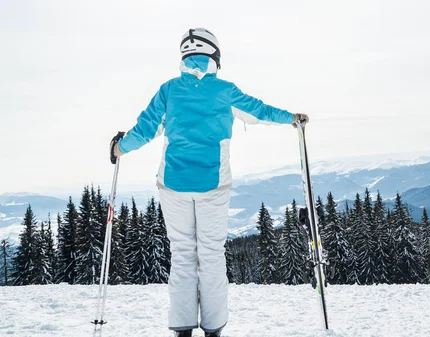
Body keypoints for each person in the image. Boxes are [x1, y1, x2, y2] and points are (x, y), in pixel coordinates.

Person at [110, 28, 309, 337]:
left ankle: (182, 327)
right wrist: (291, 118)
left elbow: (146, 128)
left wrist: (119, 148)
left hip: (173, 183)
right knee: (212, 255)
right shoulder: (225, 91)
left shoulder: (169, 90)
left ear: (184, 57)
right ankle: (214, 328)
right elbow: (260, 111)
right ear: (215, 57)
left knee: (183, 254)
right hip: (214, 185)